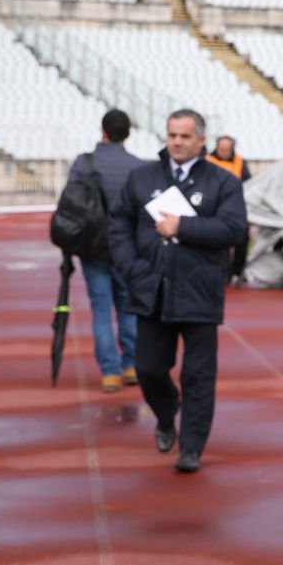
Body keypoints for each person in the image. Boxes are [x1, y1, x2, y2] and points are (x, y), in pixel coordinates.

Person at [109, 109, 247, 473]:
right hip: (150, 288)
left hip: (200, 291)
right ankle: (167, 414)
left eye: (185, 136)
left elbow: (233, 229)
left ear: (201, 140)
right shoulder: (142, 178)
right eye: (172, 135)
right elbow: (119, 223)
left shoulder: (222, 182)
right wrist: (130, 266)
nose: (177, 142)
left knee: (198, 376)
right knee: (149, 368)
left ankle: (192, 447)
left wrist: (182, 226)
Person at [67, 109, 143, 393]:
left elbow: (72, 203)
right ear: (128, 133)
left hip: (92, 246)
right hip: (126, 248)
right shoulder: (137, 166)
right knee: (128, 308)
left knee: (100, 310)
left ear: (103, 131)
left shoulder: (83, 163)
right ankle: (131, 364)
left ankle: (109, 372)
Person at [206, 135, 252, 285]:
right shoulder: (207, 162)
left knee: (242, 240)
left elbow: (248, 183)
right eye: (221, 149)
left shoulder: (240, 162)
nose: (224, 152)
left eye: (227, 149)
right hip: (215, 207)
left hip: (237, 206)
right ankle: (223, 271)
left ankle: (237, 271)